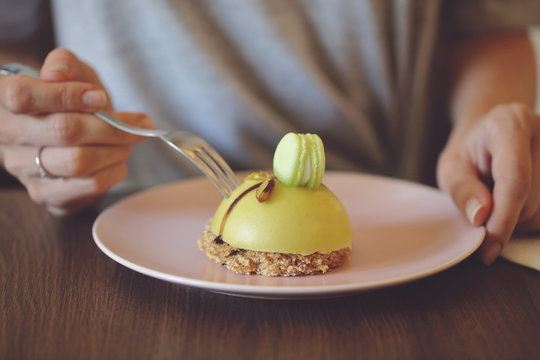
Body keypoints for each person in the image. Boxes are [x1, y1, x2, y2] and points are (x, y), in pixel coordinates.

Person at [1, 0, 540, 266]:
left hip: (401, 227)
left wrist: (481, 121)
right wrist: (47, 122)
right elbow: (12, 40)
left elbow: (487, 26)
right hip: (121, 214)